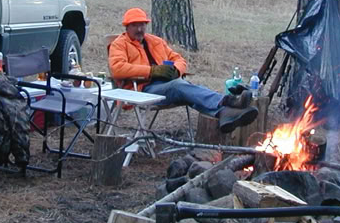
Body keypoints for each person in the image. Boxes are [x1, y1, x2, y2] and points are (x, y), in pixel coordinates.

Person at [108, 7, 259, 133]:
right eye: (135, 25)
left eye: (142, 25)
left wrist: (176, 70)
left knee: (188, 90)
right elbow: (117, 68)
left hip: (166, 86)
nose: (139, 29)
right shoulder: (119, 44)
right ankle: (228, 101)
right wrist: (152, 71)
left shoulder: (156, 41)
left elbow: (179, 59)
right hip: (141, 90)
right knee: (180, 86)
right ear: (126, 27)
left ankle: (224, 113)